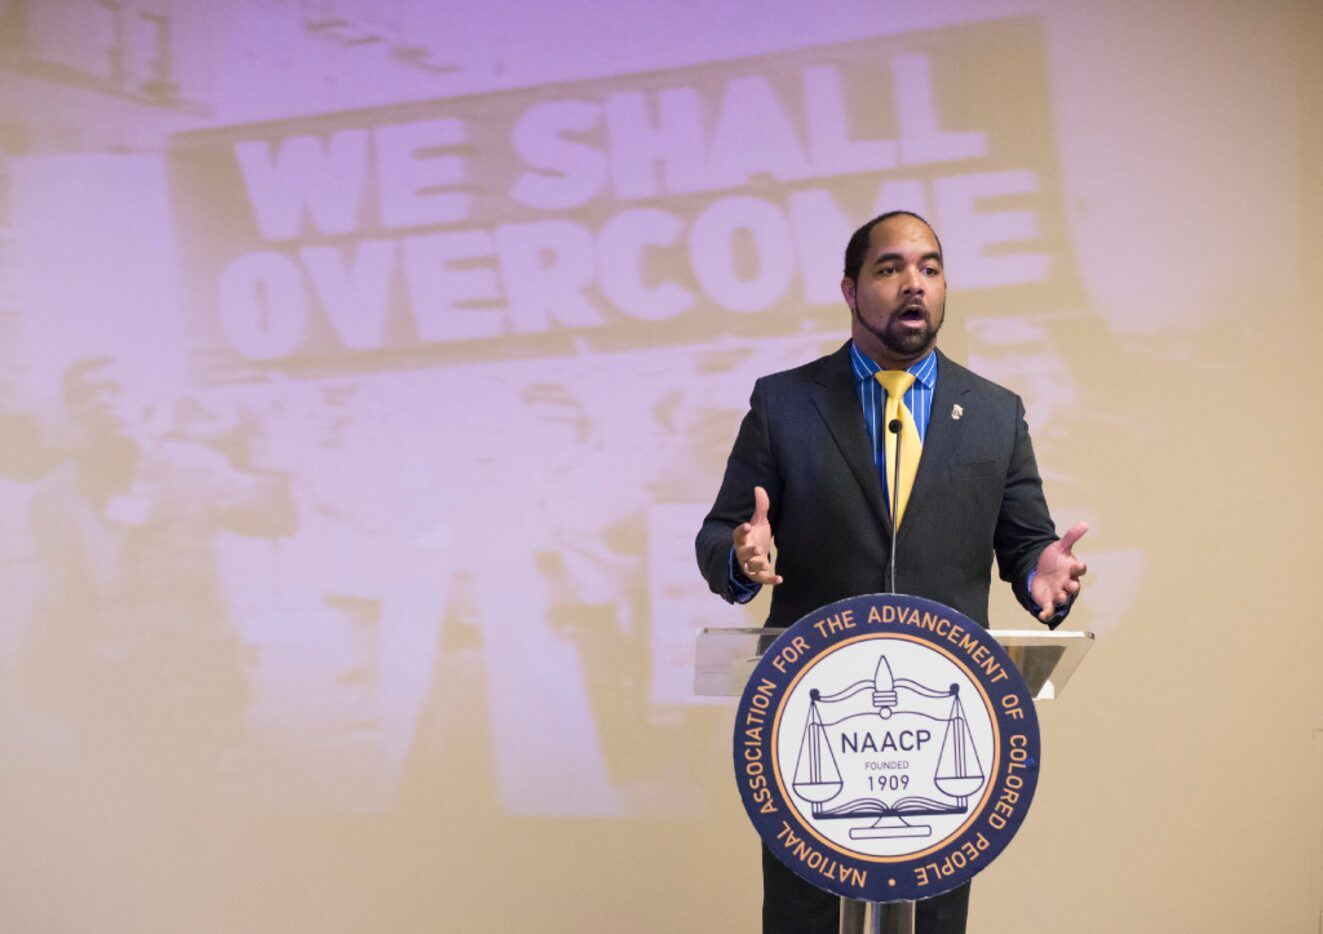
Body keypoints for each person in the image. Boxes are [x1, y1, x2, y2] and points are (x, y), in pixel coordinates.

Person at [695, 211, 1088, 934]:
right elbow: (722, 534)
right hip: (810, 720)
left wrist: (1041, 575)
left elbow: (1027, 543)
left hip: (942, 726)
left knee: (932, 921)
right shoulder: (784, 404)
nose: (915, 284)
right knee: (803, 916)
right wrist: (741, 557)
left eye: (930, 268)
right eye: (890, 268)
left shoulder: (995, 414)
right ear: (849, 289)